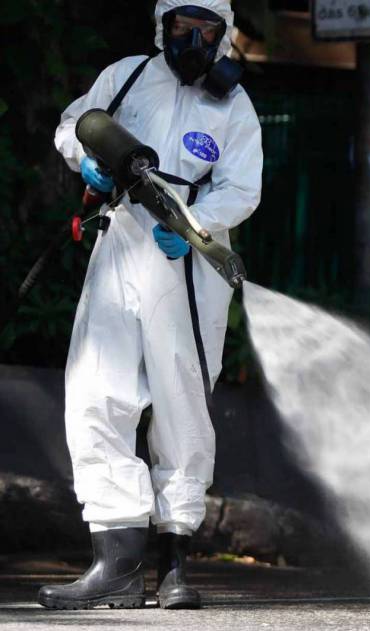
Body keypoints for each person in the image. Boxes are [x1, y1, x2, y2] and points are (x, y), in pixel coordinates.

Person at [39, 0, 262, 610]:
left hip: (188, 255)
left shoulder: (232, 105)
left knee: (181, 396)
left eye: (206, 29)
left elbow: (243, 187)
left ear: (224, 34)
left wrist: (197, 222)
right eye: (182, 26)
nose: (193, 39)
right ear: (161, 26)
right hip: (121, 243)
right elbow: (75, 122)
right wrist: (84, 158)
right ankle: (115, 564)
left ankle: (175, 565)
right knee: (95, 389)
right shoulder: (127, 75)